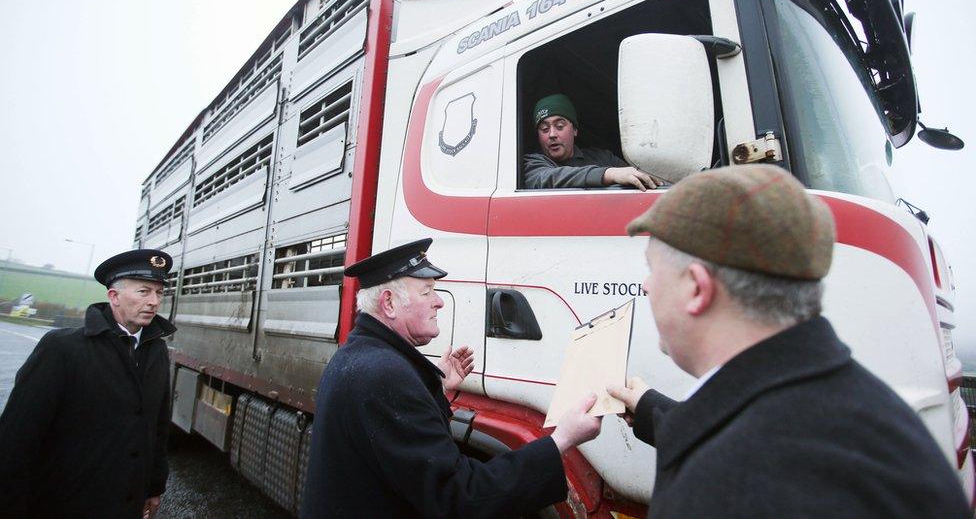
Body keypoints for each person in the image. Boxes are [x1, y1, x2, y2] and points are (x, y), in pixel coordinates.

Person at [606, 165, 969, 517]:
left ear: (697, 288)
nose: (646, 285)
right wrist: (652, 410)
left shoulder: (726, 485)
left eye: (653, 270)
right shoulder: (852, 409)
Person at [301, 238, 602, 518]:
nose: (440, 302)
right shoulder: (384, 375)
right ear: (389, 304)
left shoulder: (360, 355)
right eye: (427, 291)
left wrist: (438, 390)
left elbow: (398, 449)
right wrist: (561, 440)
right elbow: (459, 495)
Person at [0, 249, 176, 518]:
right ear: (114, 296)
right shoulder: (62, 348)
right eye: (143, 292)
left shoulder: (157, 351)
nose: (154, 301)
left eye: (159, 293)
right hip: (67, 504)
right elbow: (17, 438)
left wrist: (154, 487)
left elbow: (158, 426)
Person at [523, 93, 662, 190]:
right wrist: (610, 174)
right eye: (544, 129)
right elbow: (549, 178)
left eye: (559, 126)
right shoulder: (533, 164)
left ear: (575, 130)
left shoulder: (603, 157)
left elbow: (640, 176)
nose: (552, 134)